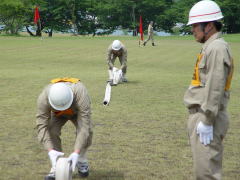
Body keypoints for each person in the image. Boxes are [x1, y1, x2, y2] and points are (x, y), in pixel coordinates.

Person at [183, 0, 234, 179]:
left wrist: (206, 120)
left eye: (196, 26)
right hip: (204, 116)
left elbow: (215, 87)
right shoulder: (211, 47)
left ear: (209, 26)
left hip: (208, 118)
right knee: (202, 171)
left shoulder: (217, 48)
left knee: (207, 174)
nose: (192, 30)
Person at [36, 78, 93, 180]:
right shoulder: (43, 98)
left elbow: (84, 126)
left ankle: (81, 159)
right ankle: (56, 164)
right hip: (58, 113)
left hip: (77, 112)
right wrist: (50, 150)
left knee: (88, 130)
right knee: (51, 130)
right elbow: (41, 125)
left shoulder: (80, 92)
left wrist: (76, 152)